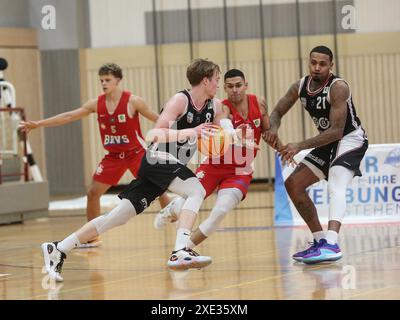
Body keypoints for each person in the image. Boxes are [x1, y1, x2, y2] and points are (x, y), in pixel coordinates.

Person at [41, 58, 231, 282]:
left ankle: (58, 248)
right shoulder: (180, 100)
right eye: (217, 80)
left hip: (171, 166)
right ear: (205, 80)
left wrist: (231, 134)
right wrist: (193, 132)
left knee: (116, 218)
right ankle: (180, 250)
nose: (219, 84)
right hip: (157, 158)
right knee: (196, 190)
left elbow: (222, 125)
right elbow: (156, 134)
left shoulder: (215, 105)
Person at [19, 63, 170, 248]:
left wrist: (180, 129)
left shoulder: (133, 101)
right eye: (101, 80)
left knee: (158, 186)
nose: (104, 83)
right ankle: (91, 237)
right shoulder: (96, 104)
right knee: (92, 193)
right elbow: (68, 116)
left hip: (135, 153)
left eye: (108, 80)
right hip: (113, 157)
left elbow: (158, 119)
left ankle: (171, 216)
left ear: (118, 80)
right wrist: (38, 123)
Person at [263, 45, 368, 264]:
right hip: (328, 142)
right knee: (293, 184)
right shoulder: (300, 86)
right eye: (313, 63)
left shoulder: (338, 87)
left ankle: (331, 242)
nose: (317, 67)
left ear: (331, 66)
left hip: (349, 139)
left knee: (337, 182)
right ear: (308, 62)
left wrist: (299, 145)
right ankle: (320, 241)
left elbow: (337, 131)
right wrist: (273, 128)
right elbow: (277, 112)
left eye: (322, 64)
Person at [154, 68, 271, 249]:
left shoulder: (259, 103)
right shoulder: (221, 107)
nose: (235, 90)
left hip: (240, 170)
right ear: (224, 87)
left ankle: (186, 249)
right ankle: (172, 208)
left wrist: (283, 148)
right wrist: (235, 135)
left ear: (246, 85)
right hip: (214, 165)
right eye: (230, 86)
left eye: (238, 85)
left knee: (220, 212)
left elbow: (269, 132)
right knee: (191, 201)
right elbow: (225, 124)